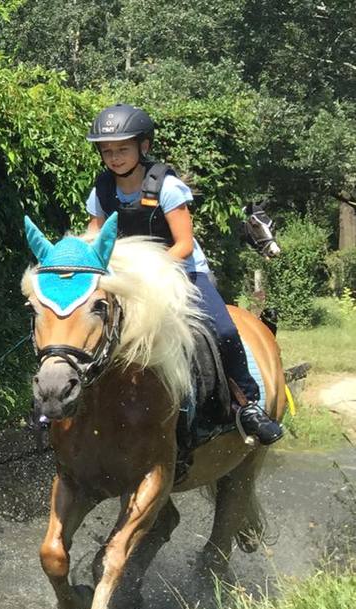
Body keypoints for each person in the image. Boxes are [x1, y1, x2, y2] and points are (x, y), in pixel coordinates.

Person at [85, 103, 283, 445]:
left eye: (122, 149)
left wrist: (146, 271)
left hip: (181, 272)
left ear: (143, 146)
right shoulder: (101, 190)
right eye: (108, 151)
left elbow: (184, 245)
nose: (114, 158)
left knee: (222, 329)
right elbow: (95, 239)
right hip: (126, 279)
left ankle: (247, 405)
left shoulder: (167, 186)